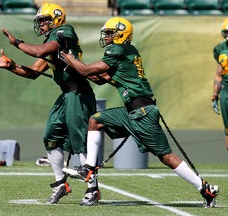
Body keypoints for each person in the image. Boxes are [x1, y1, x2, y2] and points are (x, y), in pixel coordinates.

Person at [61, 17, 219, 208]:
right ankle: (89, 169)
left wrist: (68, 56)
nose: (107, 37)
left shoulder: (118, 49)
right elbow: (99, 78)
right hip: (132, 111)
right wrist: (74, 65)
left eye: (110, 33)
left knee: (166, 157)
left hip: (142, 112)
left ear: (121, 34)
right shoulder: (126, 51)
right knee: (95, 120)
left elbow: (86, 71)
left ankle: (205, 188)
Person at [0, 2, 101, 206]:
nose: (42, 25)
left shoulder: (65, 32)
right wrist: (9, 65)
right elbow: (33, 73)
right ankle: (60, 185)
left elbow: (39, 52)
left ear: (56, 20)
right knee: (51, 136)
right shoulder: (52, 42)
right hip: (66, 94)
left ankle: (93, 189)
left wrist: (16, 42)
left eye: (44, 20)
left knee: (79, 141)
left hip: (79, 93)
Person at [212, 17, 228, 152]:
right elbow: (219, 74)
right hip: (226, 92)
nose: (227, 35)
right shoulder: (220, 49)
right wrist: (214, 96)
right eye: (226, 32)